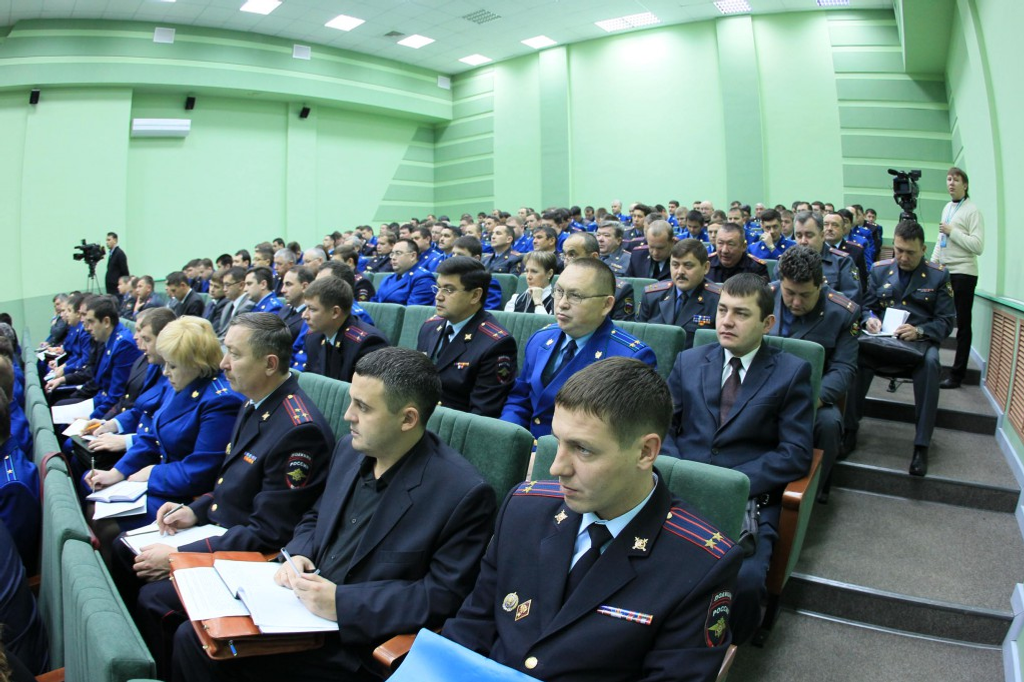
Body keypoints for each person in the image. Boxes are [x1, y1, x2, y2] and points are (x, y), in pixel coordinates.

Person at [171, 347, 497, 682]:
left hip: (356, 645)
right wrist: (299, 553)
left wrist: (342, 603)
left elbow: (442, 595)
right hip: (297, 611)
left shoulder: (462, 493)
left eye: (363, 407)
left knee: (199, 647)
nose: (347, 416)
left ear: (408, 419)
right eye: (351, 401)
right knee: (194, 630)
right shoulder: (349, 450)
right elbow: (315, 515)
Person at [442, 358, 743, 681]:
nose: (556, 468)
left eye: (583, 450)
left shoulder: (700, 564)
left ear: (645, 452)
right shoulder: (523, 508)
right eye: (558, 442)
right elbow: (472, 627)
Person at [130, 313, 335, 678]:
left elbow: (269, 533)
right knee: (128, 553)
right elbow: (232, 487)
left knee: (152, 599)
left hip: (255, 559)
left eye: (235, 354)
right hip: (226, 534)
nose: (223, 363)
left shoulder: (298, 430)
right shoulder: (255, 400)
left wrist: (178, 557)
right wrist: (194, 511)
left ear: (269, 364)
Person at [663, 274, 813, 644]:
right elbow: (661, 429)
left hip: (750, 499)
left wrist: (732, 484)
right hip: (682, 490)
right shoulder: (688, 361)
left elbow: (795, 453)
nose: (727, 321)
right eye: (723, 310)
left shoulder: (791, 372)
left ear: (767, 323)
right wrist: (683, 474)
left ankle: (730, 652)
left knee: (744, 582)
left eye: (741, 314)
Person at [87, 317, 243, 525]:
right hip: (164, 482)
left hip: (189, 499)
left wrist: (152, 473)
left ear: (196, 364)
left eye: (173, 366)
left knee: (103, 521)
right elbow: (152, 437)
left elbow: (202, 471)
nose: (165, 372)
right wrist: (117, 472)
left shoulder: (221, 401)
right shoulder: (178, 383)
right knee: (93, 489)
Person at [845, 220, 955, 476]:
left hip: (919, 345)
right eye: (898, 250)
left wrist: (920, 331)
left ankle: (921, 445)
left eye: (910, 252)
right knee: (854, 355)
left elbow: (946, 321)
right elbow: (867, 306)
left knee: (931, 364)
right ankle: (848, 431)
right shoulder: (880, 270)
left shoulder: (939, 275)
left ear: (923, 249)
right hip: (882, 342)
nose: (903, 257)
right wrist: (870, 318)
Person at [501, 259, 657, 439]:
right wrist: (508, 438)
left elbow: (621, 432)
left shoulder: (631, 358)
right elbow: (520, 399)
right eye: (559, 292)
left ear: (606, 305)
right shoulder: (540, 339)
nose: (562, 303)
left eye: (575, 296)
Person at [770, 247, 860, 503]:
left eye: (805, 295)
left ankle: (809, 497)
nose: (796, 302)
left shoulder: (842, 312)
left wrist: (812, 400)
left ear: (821, 284)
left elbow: (843, 368)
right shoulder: (764, 297)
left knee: (829, 424)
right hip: (765, 387)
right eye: (790, 293)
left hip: (811, 395)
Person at [417, 257, 517, 418]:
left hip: (454, 426)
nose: (438, 297)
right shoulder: (429, 327)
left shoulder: (496, 344)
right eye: (438, 288)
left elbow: (481, 414)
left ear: (475, 295)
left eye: (449, 290)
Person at [932, 166, 985, 389]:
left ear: (965, 184)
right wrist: (932, 265)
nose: (951, 183)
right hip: (945, 270)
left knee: (962, 324)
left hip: (964, 273)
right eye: (948, 179)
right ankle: (930, 366)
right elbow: (940, 239)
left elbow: (978, 246)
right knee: (935, 317)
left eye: (956, 180)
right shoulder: (947, 208)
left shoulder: (973, 211)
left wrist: (953, 231)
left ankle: (957, 375)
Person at [636, 239, 721, 349]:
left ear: (705, 267)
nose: (680, 271)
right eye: (675, 265)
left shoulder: (718, 300)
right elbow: (638, 338)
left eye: (688, 265)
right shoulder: (651, 296)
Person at [302, 277, 388, 382]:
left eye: (312, 309)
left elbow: (366, 391)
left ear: (335, 312)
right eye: (305, 308)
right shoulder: (313, 337)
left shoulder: (367, 343)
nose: (304, 315)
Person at [561, 232, 636, 321]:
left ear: (593, 257)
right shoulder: (560, 286)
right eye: (564, 255)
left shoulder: (618, 291)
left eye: (572, 255)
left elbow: (621, 326)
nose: (566, 261)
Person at [791, 210, 861, 303]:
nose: (803, 241)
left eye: (809, 235)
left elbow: (851, 300)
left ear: (822, 235)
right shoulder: (787, 261)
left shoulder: (842, 262)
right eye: (799, 236)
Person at [371, 238, 436, 306]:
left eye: (398, 253)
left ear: (412, 256)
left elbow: (412, 310)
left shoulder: (423, 279)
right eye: (392, 254)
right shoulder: (388, 279)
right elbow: (373, 304)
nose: (393, 257)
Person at [277, 265, 313, 342]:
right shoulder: (285, 309)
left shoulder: (311, 317)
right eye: (283, 284)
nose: (282, 290)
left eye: (288, 284)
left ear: (304, 287)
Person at [217, 267, 254, 340]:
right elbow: (221, 332)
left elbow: (236, 337)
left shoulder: (247, 305)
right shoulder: (228, 305)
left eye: (227, 285)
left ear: (241, 285)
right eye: (223, 285)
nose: (224, 289)